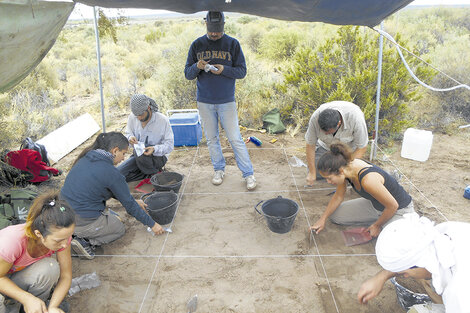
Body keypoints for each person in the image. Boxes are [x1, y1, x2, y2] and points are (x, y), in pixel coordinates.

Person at [61, 132, 164, 260]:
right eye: (124, 153)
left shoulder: (87, 157)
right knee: (119, 228)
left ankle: (76, 232)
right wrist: (152, 224)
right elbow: (130, 207)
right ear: (115, 151)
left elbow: (109, 189)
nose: (123, 158)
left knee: (113, 216)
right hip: (81, 220)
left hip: (62, 213)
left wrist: (133, 201)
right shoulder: (111, 172)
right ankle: (83, 240)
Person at [184, 11, 256, 191]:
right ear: (205, 24)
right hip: (205, 101)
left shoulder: (233, 44)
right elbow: (187, 74)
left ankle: (248, 174)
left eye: (217, 30)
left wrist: (224, 69)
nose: (214, 34)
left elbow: (242, 71)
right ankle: (218, 170)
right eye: (211, 30)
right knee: (212, 139)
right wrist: (197, 67)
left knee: (235, 138)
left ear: (223, 25)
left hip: (226, 101)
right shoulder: (197, 44)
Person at [358, 213, 470, 312]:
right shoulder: (441, 232)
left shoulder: (459, 293)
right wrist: (381, 277)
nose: (406, 276)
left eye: (404, 272)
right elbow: (414, 258)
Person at [310, 142, 414, 237]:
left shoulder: (368, 180)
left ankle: (385, 224)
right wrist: (322, 219)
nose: (328, 182)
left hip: (399, 210)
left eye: (329, 178)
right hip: (375, 205)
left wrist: (377, 225)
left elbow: (393, 206)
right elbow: (338, 196)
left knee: (389, 240)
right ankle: (380, 221)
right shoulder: (346, 168)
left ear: (340, 171)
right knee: (335, 216)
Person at [0, 190, 75, 313]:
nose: (64, 244)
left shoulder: (61, 237)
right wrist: (26, 298)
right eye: (58, 241)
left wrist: (53, 307)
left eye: (68, 237)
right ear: (39, 234)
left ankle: (33, 307)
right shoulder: (12, 242)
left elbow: (66, 276)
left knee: (50, 268)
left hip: (10, 277)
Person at [305, 101, 368, 185]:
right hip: (326, 148)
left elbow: (362, 147)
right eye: (323, 131)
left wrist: (348, 169)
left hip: (348, 151)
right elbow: (310, 145)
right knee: (319, 171)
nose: (325, 134)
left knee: (352, 176)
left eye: (328, 132)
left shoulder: (356, 118)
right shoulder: (315, 119)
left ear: (338, 123)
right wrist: (312, 172)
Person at [117, 94, 174, 182]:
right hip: (138, 156)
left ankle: (154, 173)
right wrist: (130, 138)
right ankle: (148, 174)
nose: (139, 118)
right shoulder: (133, 117)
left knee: (142, 150)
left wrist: (154, 149)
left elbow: (169, 146)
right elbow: (128, 134)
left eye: (141, 114)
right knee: (119, 174)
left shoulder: (162, 120)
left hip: (157, 157)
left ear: (148, 108)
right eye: (137, 116)